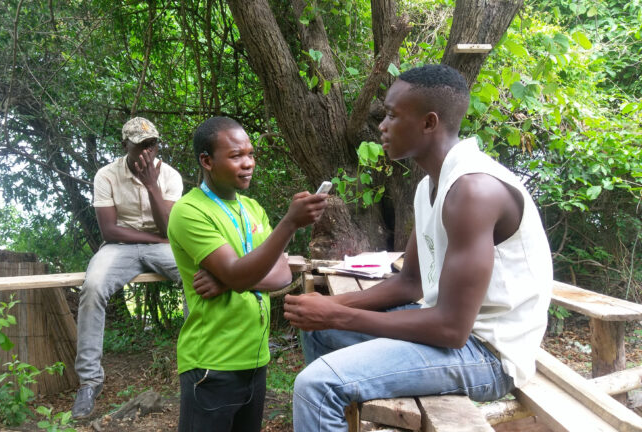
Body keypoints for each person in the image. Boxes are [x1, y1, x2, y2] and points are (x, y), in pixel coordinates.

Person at [283, 64, 553, 432]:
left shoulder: (473, 191)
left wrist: (336, 314)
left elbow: (452, 329)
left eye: (392, 115)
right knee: (317, 329)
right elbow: (410, 283)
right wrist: (331, 305)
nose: (382, 126)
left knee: (317, 385)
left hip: (487, 354)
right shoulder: (431, 186)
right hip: (450, 333)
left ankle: (333, 402)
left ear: (429, 123)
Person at [167, 116, 328, 432]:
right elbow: (241, 273)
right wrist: (289, 223)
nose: (248, 163)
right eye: (236, 156)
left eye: (251, 154)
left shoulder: (252, 208)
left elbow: (281, 274)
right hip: (211, 365)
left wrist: (227, 280)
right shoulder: (189, 211)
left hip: (256, 361)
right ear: (206, 161)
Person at [71, 117, 183, 419]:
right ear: (125, 146)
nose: (147, 152)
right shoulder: (106, 175)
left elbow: (169, 227)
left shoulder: (170, 176)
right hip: (120, 246)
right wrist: (153, 237)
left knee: (200, 276)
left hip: (163, 245)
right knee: (93, 287)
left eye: (152, 144)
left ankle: (204, 364)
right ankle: (89, 381)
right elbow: (109, 231)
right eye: (140, 146)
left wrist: (150, 184)